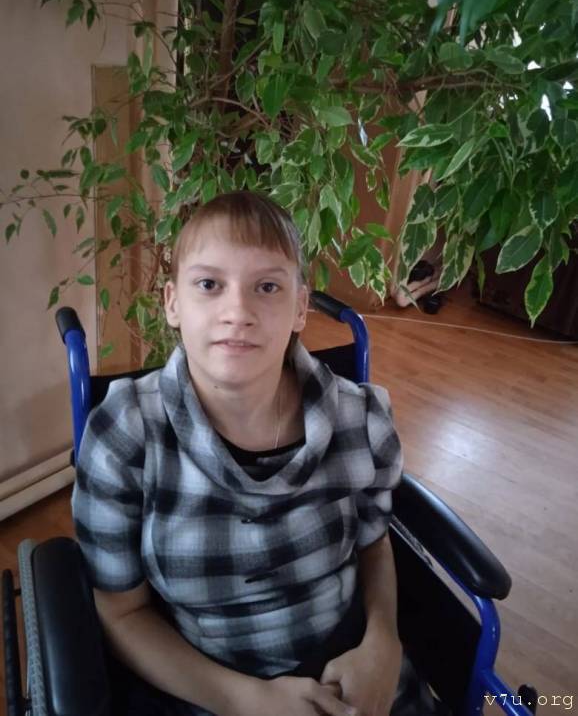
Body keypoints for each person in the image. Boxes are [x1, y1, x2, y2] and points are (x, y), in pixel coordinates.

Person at [72, 191, 408, 716]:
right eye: (209, 284)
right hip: (200, 688)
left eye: (267, 287)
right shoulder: (125, 433)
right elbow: (120, 612)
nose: (238, 312)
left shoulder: (360, 420)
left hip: (349, 676)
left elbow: (374, 542)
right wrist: (244, 699)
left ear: (300, 307)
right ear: (172, 303)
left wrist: (383, 641)